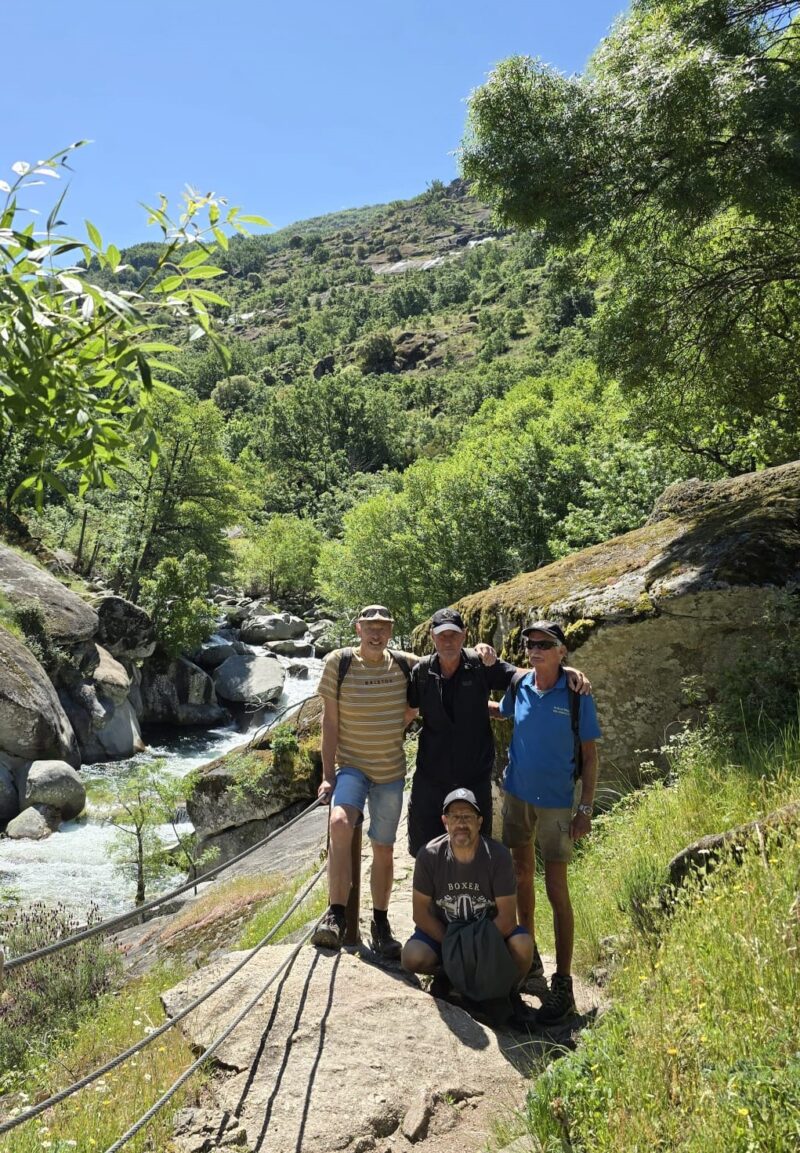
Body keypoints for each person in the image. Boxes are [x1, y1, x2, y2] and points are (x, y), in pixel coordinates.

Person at [493, 621, 601, 1025]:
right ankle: (529, 961)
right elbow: (500, 712)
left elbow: (589, 757)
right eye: (530, 644)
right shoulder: (519, 686)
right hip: (518, 796)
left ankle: (564, 983)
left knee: (557, 888)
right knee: (521, 875)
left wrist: (585, 810)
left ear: (561, 651)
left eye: (544, 644)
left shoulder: (576, 695)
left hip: (557, 805)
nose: (535, 650)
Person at [311, 604, 418, 958]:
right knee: (340, 823)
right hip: (352, 767)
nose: (377, 633)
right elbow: (329, 723)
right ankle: (336, 915)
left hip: (390, 771)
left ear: (390, 631)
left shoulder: (405, 663)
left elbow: (446, 664)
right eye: (370, 627)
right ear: (358, 629)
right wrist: (327, 777)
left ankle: (381, 922)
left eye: (383, 628)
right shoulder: (339, 663)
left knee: (384, 848)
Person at [401, 787, 533, 1022]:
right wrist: (457, 949)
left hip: (489, 936)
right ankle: (451, 977)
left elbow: (506, 918)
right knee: (412, 956)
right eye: (455, 817)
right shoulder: (429, 856)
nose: (461, 823)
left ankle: (507, 992)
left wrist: (473, 950)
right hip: (445, 934)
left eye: (468, 817)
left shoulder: (499, 857)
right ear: (445, 822)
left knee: (523, 944)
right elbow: (420, 914)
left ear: (479, 822)